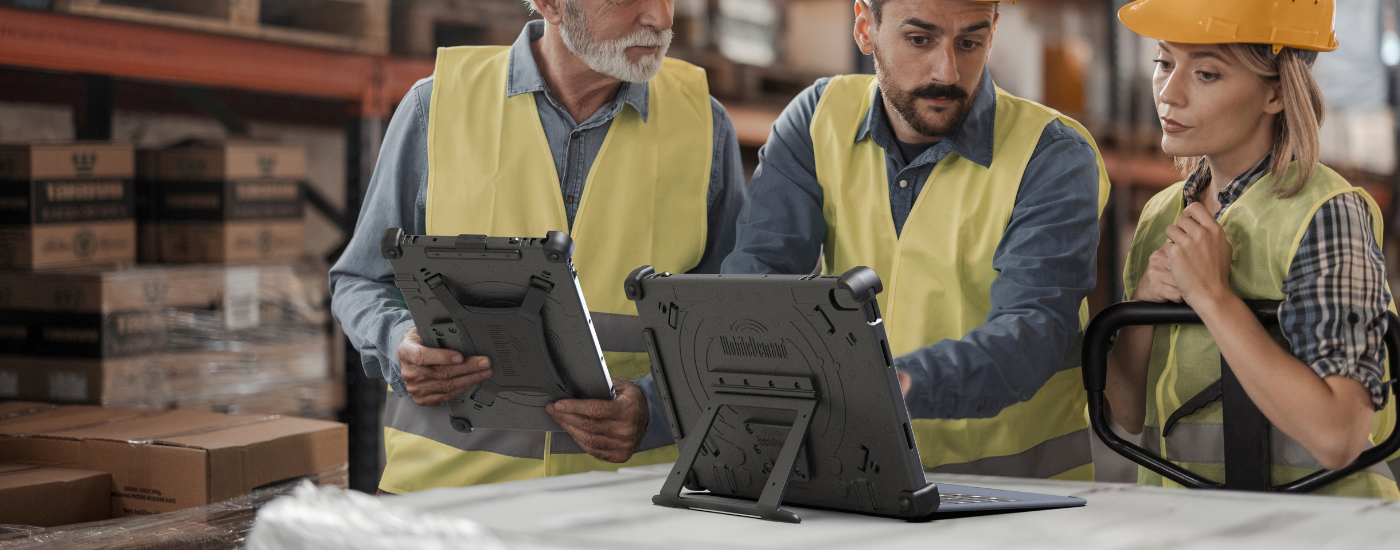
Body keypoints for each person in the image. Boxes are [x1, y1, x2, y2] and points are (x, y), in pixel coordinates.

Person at [329, 0, 746, 493]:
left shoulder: (703, 125)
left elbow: (733, 321)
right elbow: (360, 279)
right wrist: (397, 340)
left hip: (627, 506)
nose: (660, 18)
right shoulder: (436, 106)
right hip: (444, 507)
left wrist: (655, 406)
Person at [722, 0, 1110, 480]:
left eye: (970, 42)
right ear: (866, 29)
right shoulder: (818, 119)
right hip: (864, 484)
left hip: (1017, 506)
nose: (947, 71)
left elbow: (1035, 330)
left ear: (993, 34)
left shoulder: (1053, 155)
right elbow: (753, 297)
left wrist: (903, 382)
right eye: (920, 40)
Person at [1106, 0, 1399, 498]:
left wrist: (1214, 298)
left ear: (1277, 92)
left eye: (1206, 74)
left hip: (1318, 534)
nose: (1169, 94)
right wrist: (1146, 299)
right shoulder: (1161, 215)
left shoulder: (1327, 213)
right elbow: (1127, 411)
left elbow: (1338, 436)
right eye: (1163, 62)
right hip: (1184, 526)